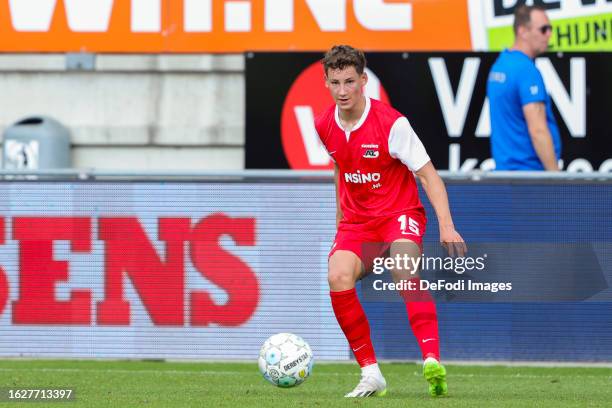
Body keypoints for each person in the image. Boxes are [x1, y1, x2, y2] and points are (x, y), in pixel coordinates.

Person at [315, 45, 466, 398]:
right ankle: (371, 373)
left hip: (399, 216)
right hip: (357, 223)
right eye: (335, 82)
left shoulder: (392, 124)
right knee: (337, 276)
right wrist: (340, 218)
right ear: (326, 82)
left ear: (363, 80)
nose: (342, 91)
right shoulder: (323, 124)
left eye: (349, 81)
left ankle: (431, 359)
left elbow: (429, 177)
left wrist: (446, 225)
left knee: (403, 270)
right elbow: (340, 166)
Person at [487, 5, 561, 171]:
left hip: (506, 175)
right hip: (531, 178)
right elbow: (538, 131)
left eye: (550, 28)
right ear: (522, 31)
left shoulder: (499, 66)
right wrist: (556, 178)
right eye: (543, 29)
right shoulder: (527, 71)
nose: (549, 34)